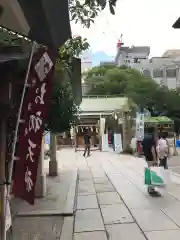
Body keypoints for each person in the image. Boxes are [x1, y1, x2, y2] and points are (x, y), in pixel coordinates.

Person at [142, 127, 158, 194]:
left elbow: (142, 147)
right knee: (152, 173)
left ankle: (149, 188)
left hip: (147, 157)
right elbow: (152, 149)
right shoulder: (152, 138)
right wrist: (155, 159)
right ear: (153, 131)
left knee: (149, 172)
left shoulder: (144, 137)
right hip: (151, 157)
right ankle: (151, 189)